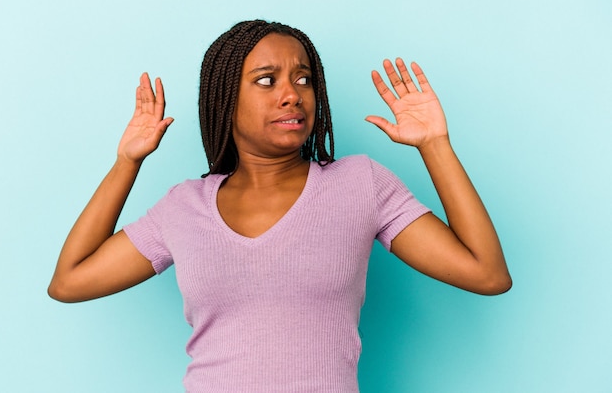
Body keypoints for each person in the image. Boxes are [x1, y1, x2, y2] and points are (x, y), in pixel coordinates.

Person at [48, 20, 511, 392]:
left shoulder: (359, 184)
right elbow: (69, 282)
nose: (292, 93)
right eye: (266, 81)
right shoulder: (183, 207)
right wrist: (126, 163)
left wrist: (435, 145)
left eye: (304, 79)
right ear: (226, 99)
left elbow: (486, 274)